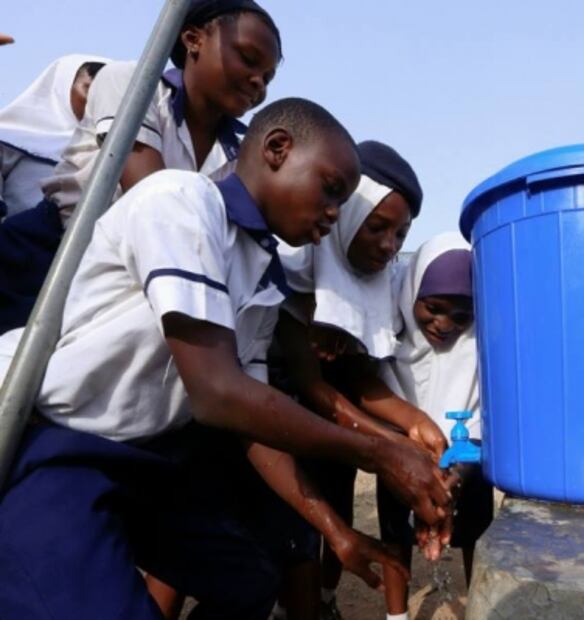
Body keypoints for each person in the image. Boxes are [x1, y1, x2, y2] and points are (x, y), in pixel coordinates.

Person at [0, 97, 450, 620]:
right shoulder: (181, 203)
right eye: (330, 190)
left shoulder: (262, 276)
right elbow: (217, 394)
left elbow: (252, 424)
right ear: (277, 149)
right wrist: (380, 454)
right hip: (57, 439)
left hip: (145, 459)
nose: (333, 212)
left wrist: (337, 532)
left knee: (249, 580)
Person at [0, 0, 281, 334]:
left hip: (130, 291)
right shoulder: (132, 83)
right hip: (45, 257)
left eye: (268, 77)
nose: (258, 83)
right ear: (193, 39)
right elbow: (152, 198)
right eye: (248, 60)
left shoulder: (240, 153)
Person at [273, 140, 449, 619]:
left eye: (400, 234)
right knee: (300, 538)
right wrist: (394, 446)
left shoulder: (375, 286)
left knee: (339, 516)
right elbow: (315, 388)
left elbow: (359, 379)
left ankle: (324, 604)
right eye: (378, 227)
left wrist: (413, 423)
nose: (389, 246)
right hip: (282, 431)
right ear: (346, 215)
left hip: (337, 435)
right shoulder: (296, 273)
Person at [377, 232, 494, 620]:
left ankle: (479, 609)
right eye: (433, 308)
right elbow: (377, 401)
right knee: (395, 539)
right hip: (398, 455)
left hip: (467, 462)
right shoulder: (388, 340)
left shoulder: (479, 347)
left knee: (476, 535)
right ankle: (395, 617)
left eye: (461, 317)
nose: (444, 325)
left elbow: (483, 413)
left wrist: (455, 475)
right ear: (411, 294)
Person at [0, 55, 107, 219]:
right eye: (89, 89)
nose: (97, 101)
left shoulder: (114, 151)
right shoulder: (11, 136)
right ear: (62, 88)